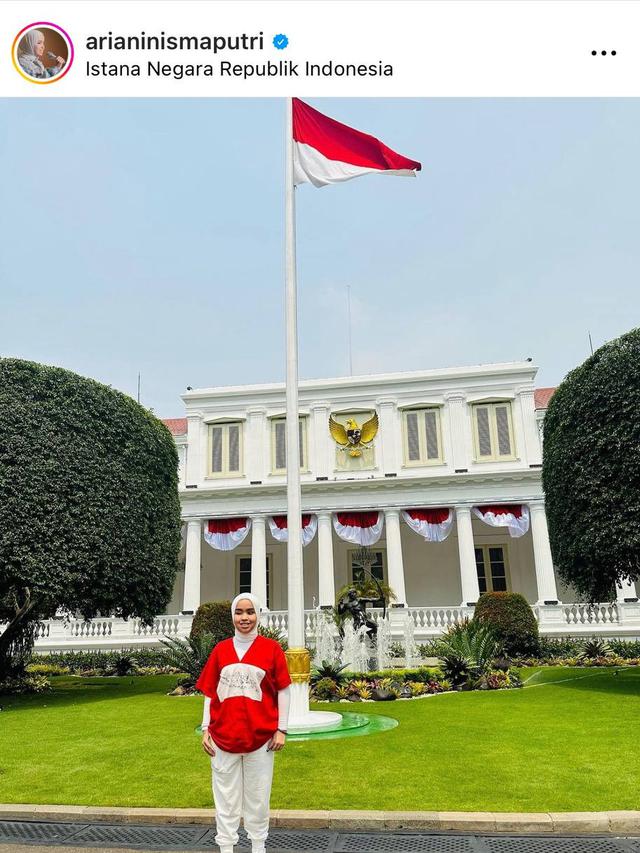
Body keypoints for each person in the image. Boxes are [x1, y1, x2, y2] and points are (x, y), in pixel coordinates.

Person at [195, 593, 291, 853]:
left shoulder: (271, 649)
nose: (244, 617)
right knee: (225, 799)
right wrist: (206, 728)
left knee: (258, 797)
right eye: (239, 612)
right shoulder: (221, 650)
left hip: (260, 739)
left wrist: (281, 728)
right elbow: (210, 692)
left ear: (258, 615)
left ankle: (257, 846)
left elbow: (283, 690)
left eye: (250, 612)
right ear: (232, 616)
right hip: (222, 737)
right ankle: (226, 847)